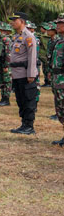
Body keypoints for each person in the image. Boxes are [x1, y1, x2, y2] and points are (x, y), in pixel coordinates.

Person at [8, 12, 38, 134]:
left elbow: (32, 56)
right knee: (20, 100)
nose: (12, 22)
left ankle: (29, 126)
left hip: (26, 74)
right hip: (17, 73)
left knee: (28, 100)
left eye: (15, 20)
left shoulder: (28, 36)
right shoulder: (16, 36)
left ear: (22, 22)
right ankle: (24, 124)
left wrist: (31, 74)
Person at [50, 15, 64, 146]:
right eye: (58, 23)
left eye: (61, 23)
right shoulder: (59, 41)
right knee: (60, 109)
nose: (58, 26)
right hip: (57, 79)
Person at [0, 23, 12, 106]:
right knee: (2, 81)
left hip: (5, 64)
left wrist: (6, 65)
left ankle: (6, 99)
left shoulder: (6, 39)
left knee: (6, 81)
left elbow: (8, 53)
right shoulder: (0, 38)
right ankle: (3, 98)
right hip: (0, 63)